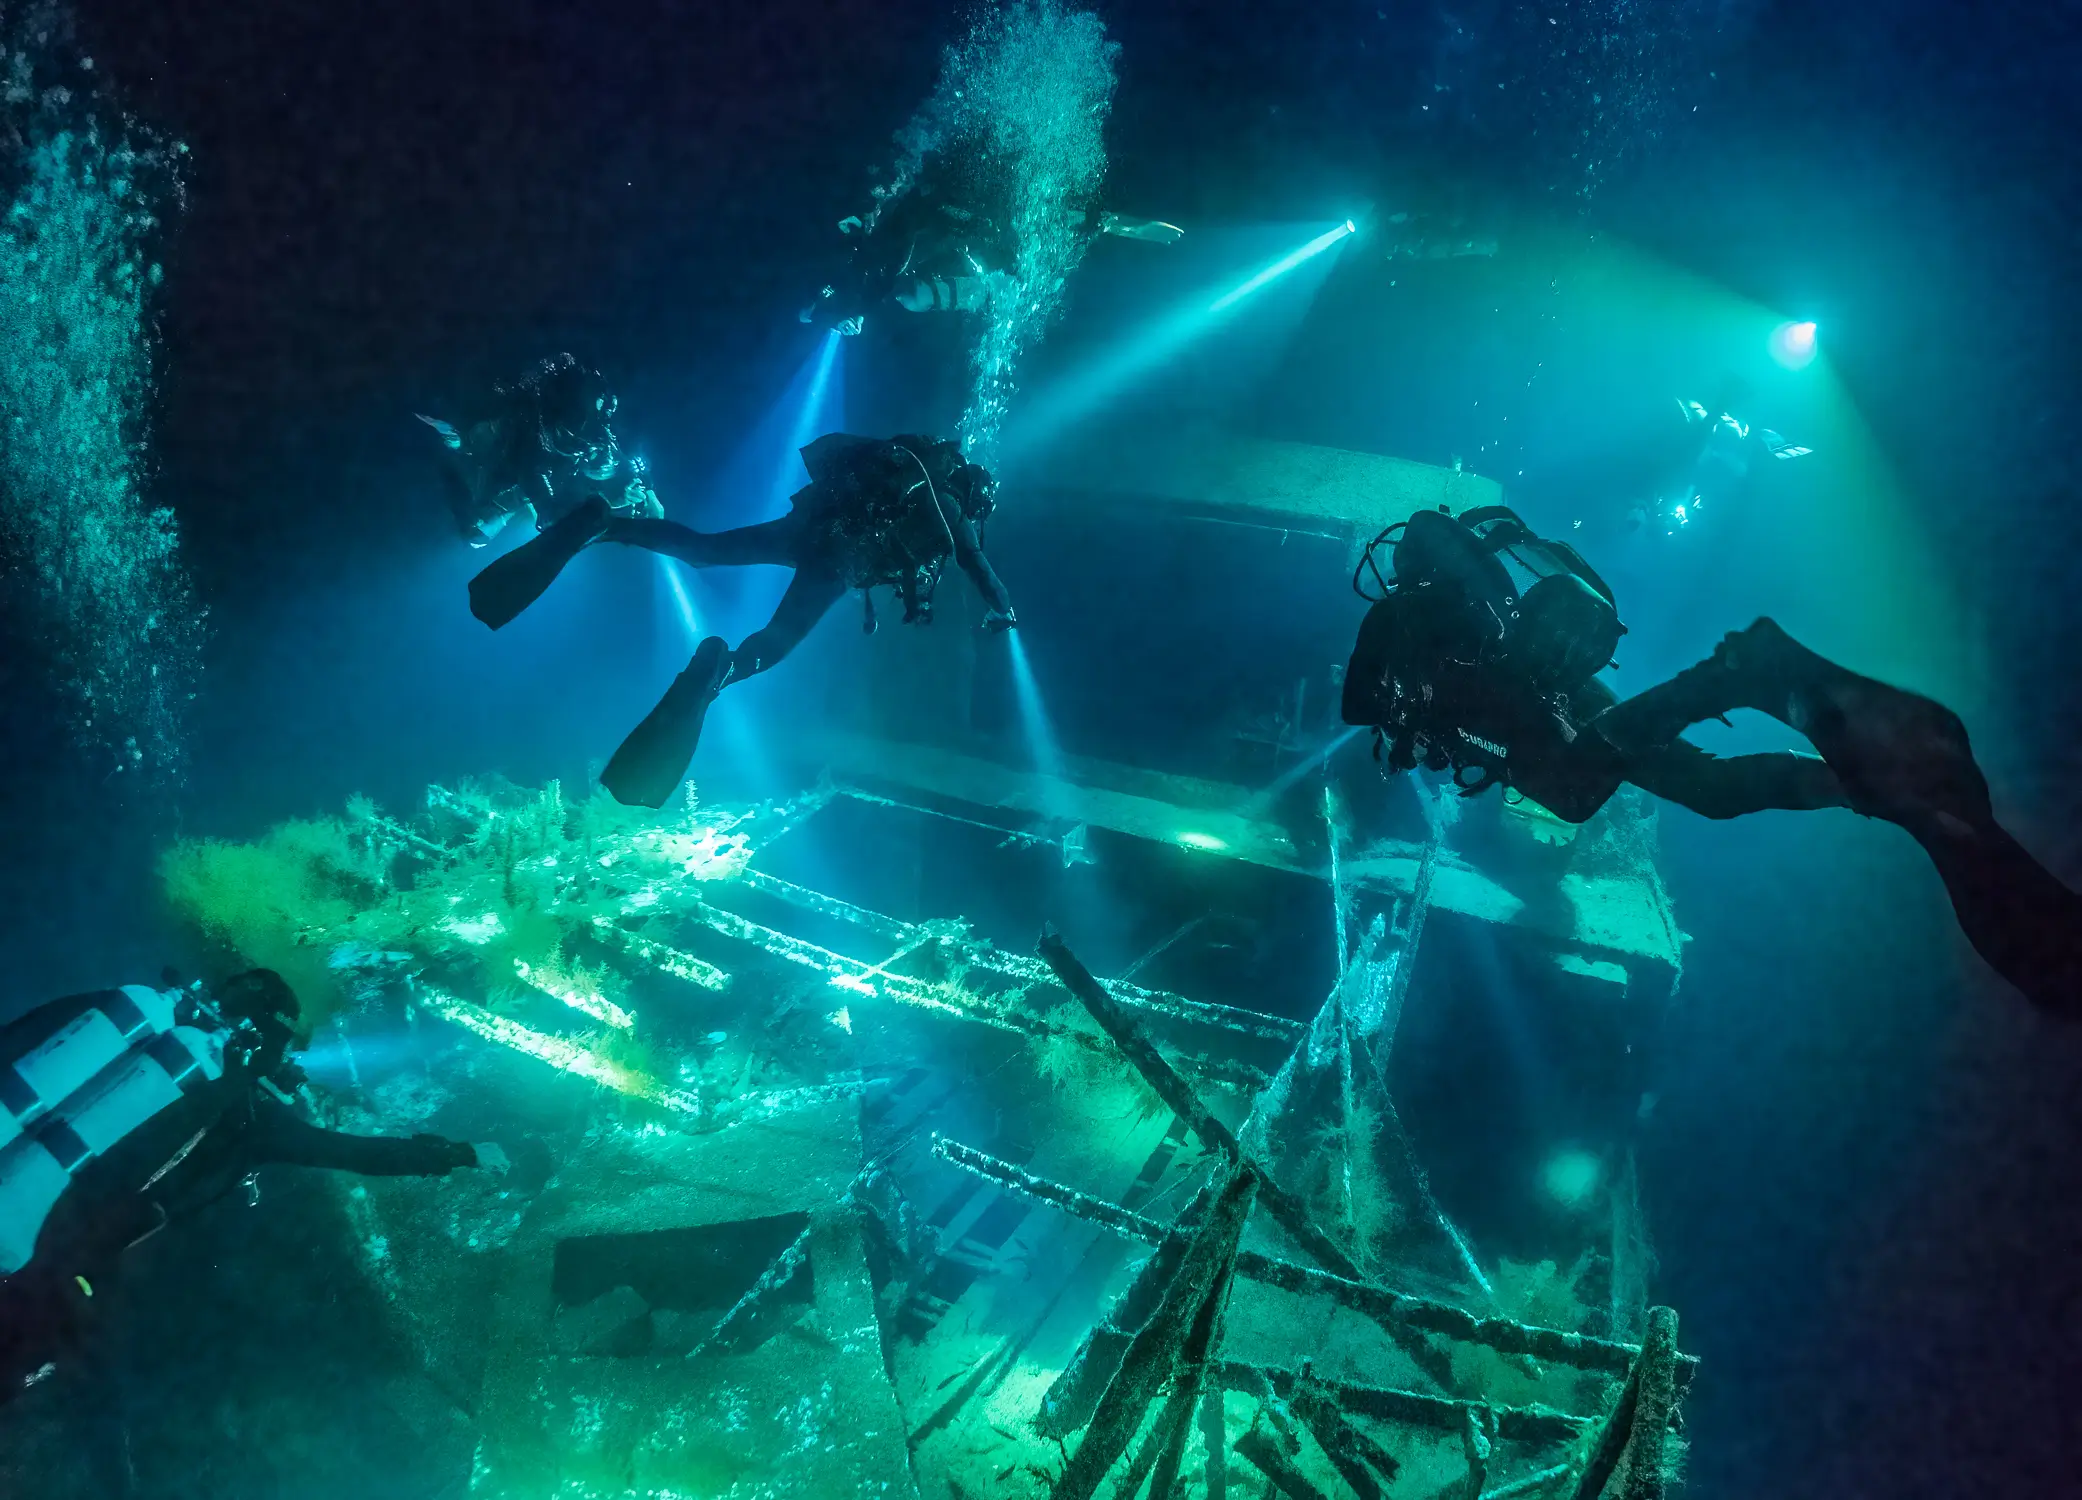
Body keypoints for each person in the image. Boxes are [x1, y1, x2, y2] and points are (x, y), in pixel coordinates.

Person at [1342, 504, 2081, 1015]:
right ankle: (1862, 788)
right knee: (1709, 787)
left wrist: (1400, 712)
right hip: (1548, 687)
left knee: (1570, 792)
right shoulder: (1468, 604)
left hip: (1526, 701)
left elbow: (1356, 705)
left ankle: (1735, 676)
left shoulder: (1401, 615)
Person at [0, 970, 500, 1402]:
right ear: (271, 1041)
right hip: (48, 1266)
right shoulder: (251, 1118)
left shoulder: (116, 1020)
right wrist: (457, 1154)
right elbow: (356, 1154)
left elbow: (20, 1039)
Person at [467, 432, 1018, 808]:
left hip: (811, 529)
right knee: (774, 643)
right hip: (838, 562)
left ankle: (608, 526)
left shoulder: (910, 478)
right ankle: (721, 671)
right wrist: (1004, 607)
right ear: (974, 497)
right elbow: (975, 562)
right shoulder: (948, 508)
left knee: (706, 550)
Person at [417, 352, 663, 546]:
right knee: (476, 535)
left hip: (549, 460)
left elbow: (626, 446)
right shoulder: (532, 433)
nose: (600, 458)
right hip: (505, 451)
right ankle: (452, 446)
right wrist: (548, 510)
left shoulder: (600, 420)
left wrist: (647, 490)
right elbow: (532, 472)